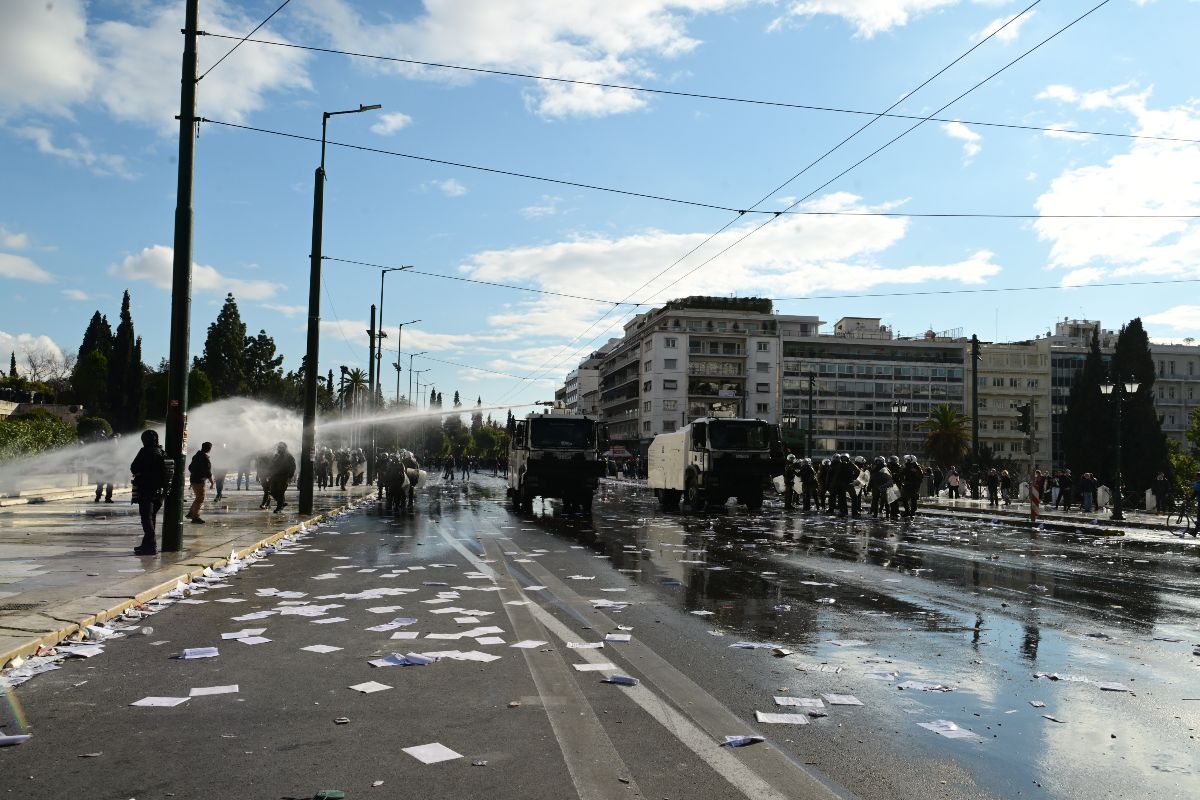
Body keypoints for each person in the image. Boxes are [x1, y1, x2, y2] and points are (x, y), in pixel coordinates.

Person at [130, 429, 173, 556]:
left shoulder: (145, 451)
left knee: (146, 518)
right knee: (151, 517)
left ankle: (151, 546)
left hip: (146, 490)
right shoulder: (162, 452)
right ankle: (147, 544)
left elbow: (134, 467)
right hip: (160, 492)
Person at [186, 441, 214, 524]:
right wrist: (212, 482)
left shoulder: (196, 456)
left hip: (194, 479)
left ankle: (191, 513)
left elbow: (190, 467)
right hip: (199, 480)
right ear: (209, 449)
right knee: (200, 498)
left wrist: (195, 473)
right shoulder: (205, 458)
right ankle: (195, 517)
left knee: (198, 497)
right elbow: (208, 472)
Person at [269, 441, 296, 513]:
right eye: (279, 447)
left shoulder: (289, 456)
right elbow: (272, 466)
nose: (279, 449)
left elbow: (293, 467)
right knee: (272, 492)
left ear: (284, 448)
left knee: (280, 492)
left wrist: (290, 477)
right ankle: (282, 503)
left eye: (281, 448)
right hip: (275, 476)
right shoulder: (276, 456)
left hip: (284, 477)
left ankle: (279, 508)